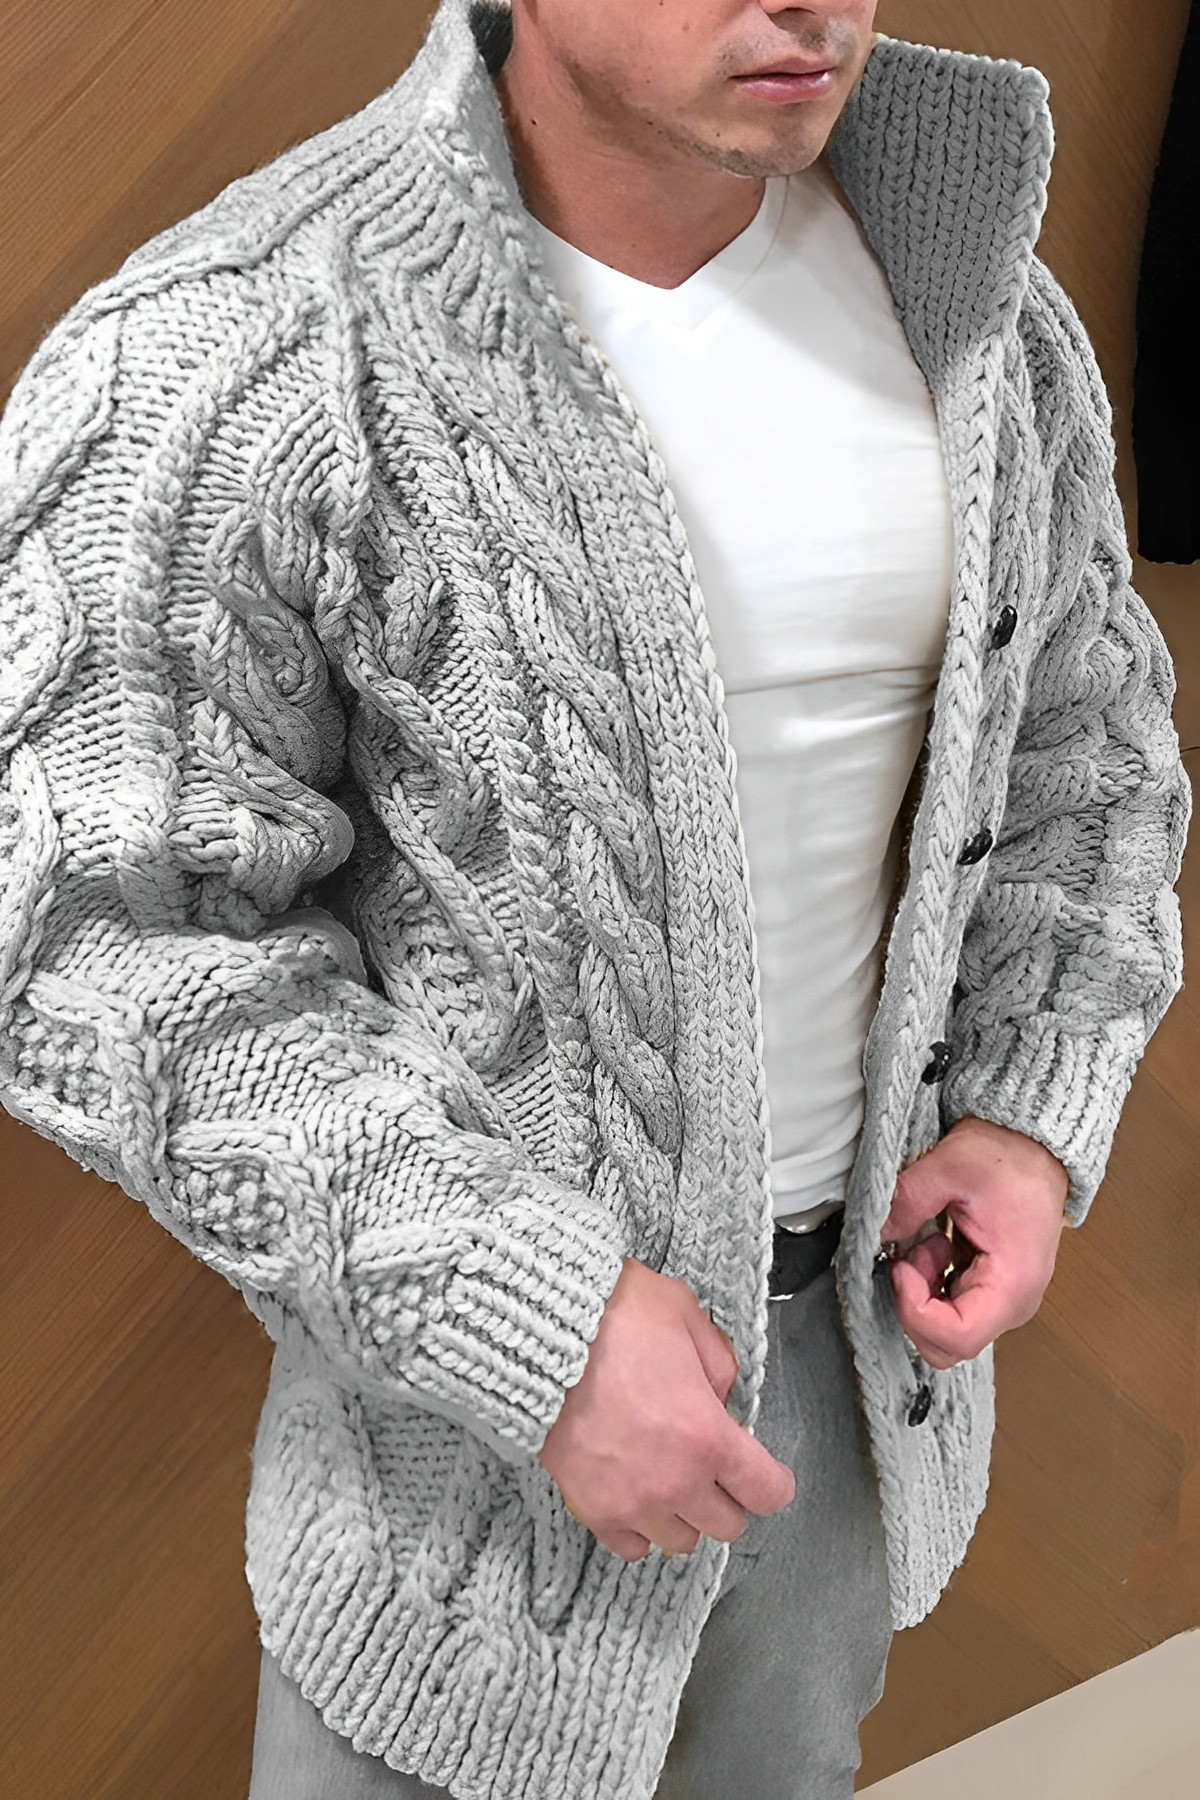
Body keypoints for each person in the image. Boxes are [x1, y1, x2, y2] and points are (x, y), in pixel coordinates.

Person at [0, 1, 1189, 1796]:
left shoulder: (982, 315)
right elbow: (91, 947)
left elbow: (1088, 762)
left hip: (856, 1396)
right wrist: (532, 1322)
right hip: (452, 1473)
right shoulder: (233, 347)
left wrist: (1025, 1122)